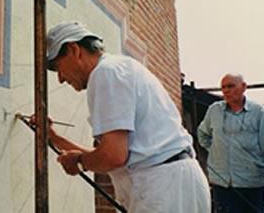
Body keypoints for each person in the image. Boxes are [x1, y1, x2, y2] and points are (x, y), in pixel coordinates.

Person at [37, 21, 211, 213]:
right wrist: (53, 137)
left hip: (163, 189)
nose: (60, 78)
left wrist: (79, 163)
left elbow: (113, 156)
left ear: (73, 49)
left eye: (57, 66)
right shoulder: (119, 68)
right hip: (174, 184)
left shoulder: (105, 73)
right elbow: (111, 154)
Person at [197, 73, 264, 213]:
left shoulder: (259, 113)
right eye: (223, 87)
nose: (226, 90)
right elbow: (202, 135)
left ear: (244, 87)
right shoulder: (214, 111)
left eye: (231, 86)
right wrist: (218, 151)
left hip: (251, 186)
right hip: (222, 185)